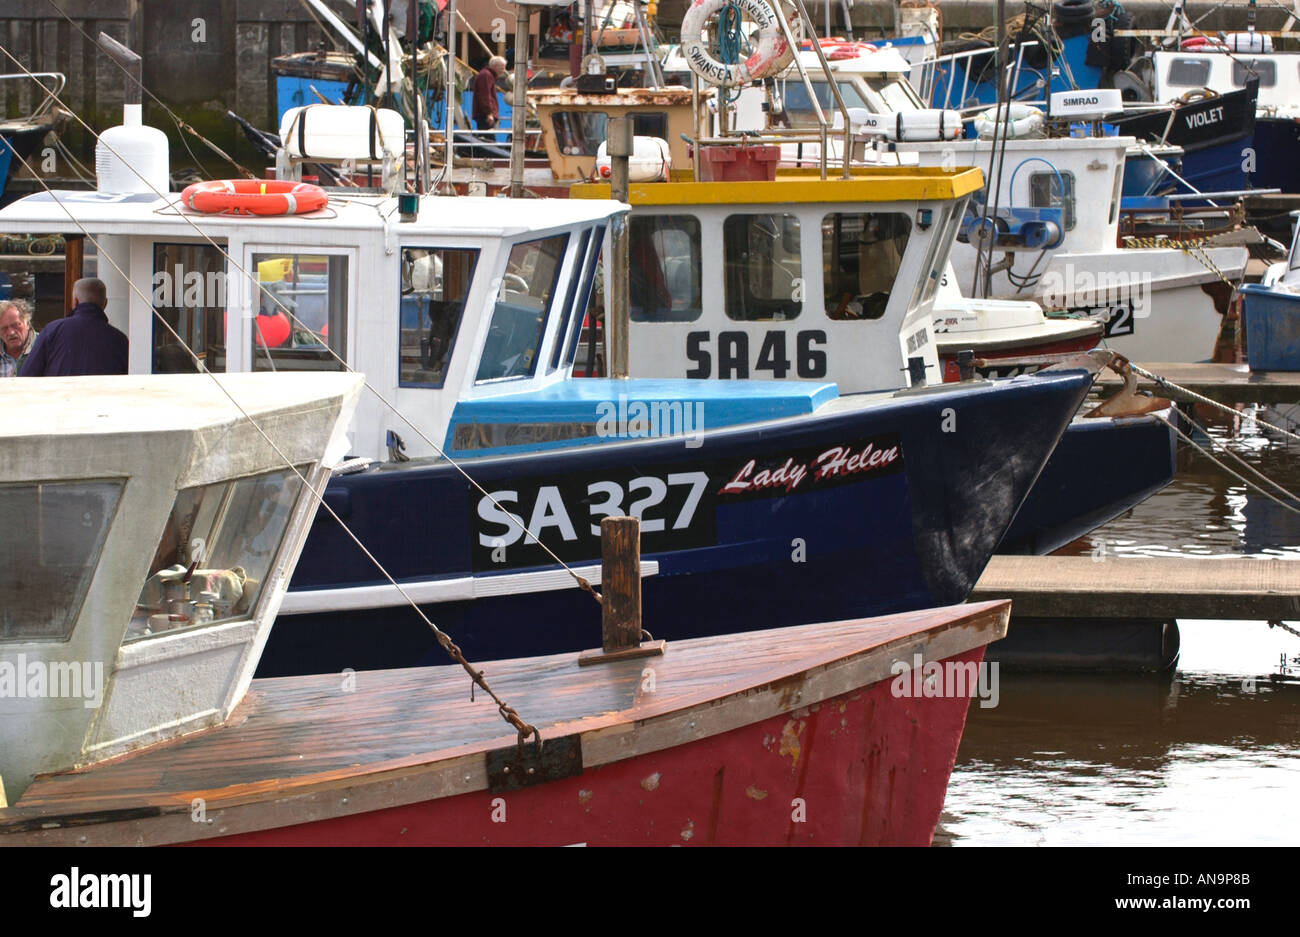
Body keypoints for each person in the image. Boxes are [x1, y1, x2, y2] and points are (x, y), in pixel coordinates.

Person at [20, 277, 128, 376]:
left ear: (75, 301)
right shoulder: (120, 340)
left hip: (60, 396)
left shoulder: (52, 331)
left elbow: (27, 375)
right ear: (105, 304)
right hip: (103, 396)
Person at [0, 299, 37, 376]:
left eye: (16, 325)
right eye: (4, 328)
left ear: (27, 323)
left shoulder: (44, 345)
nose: (11, 333)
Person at [472, 55, 507, 135]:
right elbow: (485, 96)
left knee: (487, 140)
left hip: (484, 114)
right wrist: (489, 113)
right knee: (488, 140)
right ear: (495, 66)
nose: (503, 71)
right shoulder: (486, 76)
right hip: (485, 116)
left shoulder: (486, 75)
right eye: (502, 68)